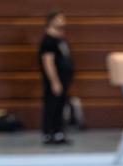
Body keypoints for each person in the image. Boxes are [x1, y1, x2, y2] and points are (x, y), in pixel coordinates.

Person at [38, 9, 74, 144]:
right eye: (60, 19)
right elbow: (48, 63)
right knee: (51, 106)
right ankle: (49, 134)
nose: (63, 21)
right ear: (51, 21)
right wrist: (54, 81)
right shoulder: (48, 41)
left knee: (60, 106)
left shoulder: (59, 39)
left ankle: (58, 133)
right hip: (54, 80)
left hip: (63, 80)